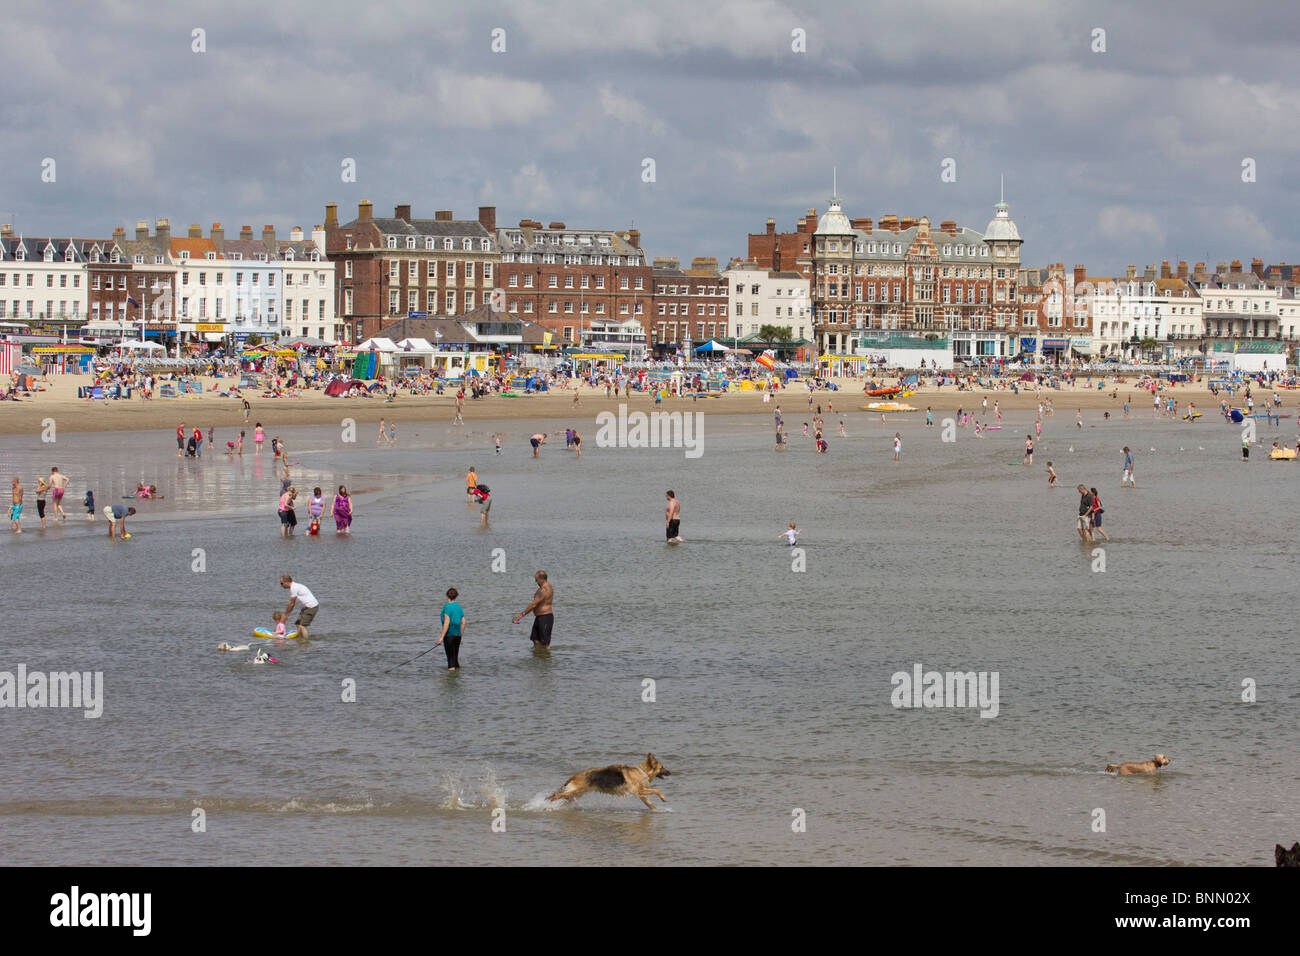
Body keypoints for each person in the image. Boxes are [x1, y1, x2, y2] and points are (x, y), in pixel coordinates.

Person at [514, 571, 553, 649]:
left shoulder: (544, 590)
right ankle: (536, 659)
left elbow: (533, 604)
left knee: (545, 644)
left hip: (545, 617)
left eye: (536, 580)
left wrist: (522, 614)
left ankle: (546, 659)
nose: (536, 582)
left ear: (542, 579)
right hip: (539, 617)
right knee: (535, 640)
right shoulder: (542, 588)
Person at [279, 574, 319, 639]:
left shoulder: (294, 588)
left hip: (311, 607)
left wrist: (285, 615)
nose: (281, 585)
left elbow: (292, 604)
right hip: (306, 607)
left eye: (281, 583)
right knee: (298, 623)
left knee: (302, 626)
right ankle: (300, 640)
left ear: (286, 582)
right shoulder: (295, 586)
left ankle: (305, 641)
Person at [436, 587, 466, 671]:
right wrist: (460, 634)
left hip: (449, 635)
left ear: (447, 595)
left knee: (450, 661)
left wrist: (441, 637)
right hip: (457, 635)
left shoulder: (447, 607)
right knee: (455, 659)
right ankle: (457, 681)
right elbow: (463, 622)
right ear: (456, 596)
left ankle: (450, 682)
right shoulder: (458, 607)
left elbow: (446, 622)